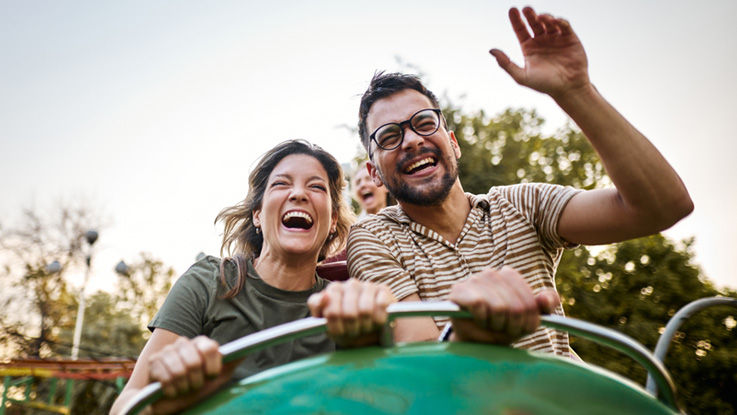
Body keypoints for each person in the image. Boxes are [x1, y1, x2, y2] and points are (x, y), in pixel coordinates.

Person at [348, 7, 693, 356]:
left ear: (453, 143)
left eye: (424, 123)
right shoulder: (374, 236)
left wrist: (576, 91)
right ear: (374, 172)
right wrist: (472, 331)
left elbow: (662, 208)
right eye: (389, 136)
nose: (411, 140)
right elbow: (421, 357)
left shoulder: (521, 204)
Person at [111, 140, 396, 415]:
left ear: (333, 221)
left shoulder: (346, 309)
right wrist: (161, 403)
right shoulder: (208, 282)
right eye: (282, 184)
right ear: (257, 214)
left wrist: (369, 345)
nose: (298, 194)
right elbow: (126, 404)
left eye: (316, 187)